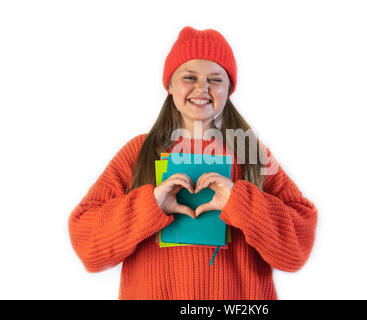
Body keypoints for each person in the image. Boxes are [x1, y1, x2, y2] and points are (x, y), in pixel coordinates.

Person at [68, 26, 318, 300]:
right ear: (170, 86)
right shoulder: (138, 152)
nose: (202, 88)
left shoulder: (249, 152)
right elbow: (87, 246)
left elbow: (297, 249)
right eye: (190, 77)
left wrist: (240, 203)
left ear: (229, 90)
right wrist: (150, 206)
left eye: (215, 79)